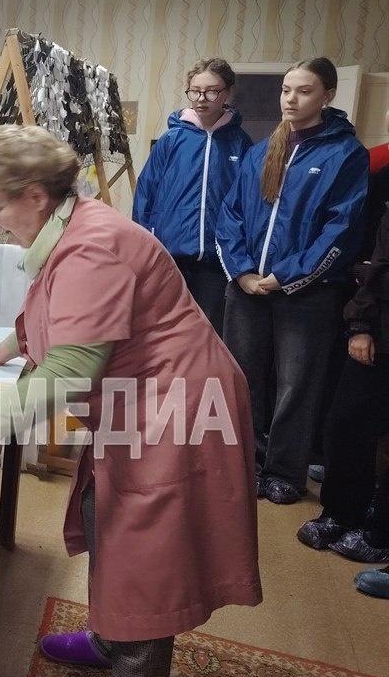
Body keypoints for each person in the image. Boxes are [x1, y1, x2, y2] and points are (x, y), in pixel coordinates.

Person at [0, 125, 261, 677]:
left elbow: (67, 373)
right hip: (139, 399)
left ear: (36, 196)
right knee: (100, 510)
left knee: (146, 561)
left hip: (177, 405)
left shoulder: (92, 248)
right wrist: (2, 349)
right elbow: (61, 310)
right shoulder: (70, 226)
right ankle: (108, 637)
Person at [216, 58, 368, 505]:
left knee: (296, 385)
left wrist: (285, 276)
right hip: (247, 290)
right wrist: (243, 272)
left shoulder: (345, 154)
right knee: (242, 380)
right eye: (286, 90)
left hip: (306, 294)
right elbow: (230, 215)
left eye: (304, 91)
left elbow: (342, 229)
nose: (291, 99)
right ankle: (247, 463)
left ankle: (284, 471)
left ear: (327, 96)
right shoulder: (262, 151)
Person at [296, 206, 389, 577]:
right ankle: (341, 513)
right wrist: (361, 324)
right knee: (345, 426)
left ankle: (380, 533)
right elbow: (377, 266)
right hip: (381, 333)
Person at [132, 58, 253, 336]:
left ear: (227, 93)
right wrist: (147, 246)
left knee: (207, 334)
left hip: (216, 262)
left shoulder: (240, 143)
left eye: (211, 91)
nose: (201, 99)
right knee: (165, 332)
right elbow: (145, 195)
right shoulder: (171, 140)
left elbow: (246, 204)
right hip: (170, 258)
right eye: (195, 91)